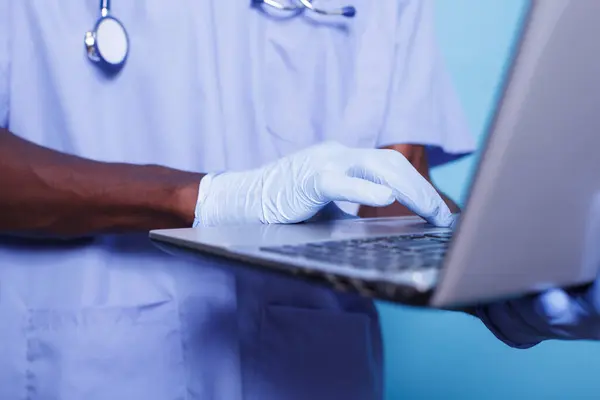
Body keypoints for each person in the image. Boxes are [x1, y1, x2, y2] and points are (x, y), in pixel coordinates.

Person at [0, 1, 476, 399]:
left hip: (314, 374)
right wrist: (208, 199)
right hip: (98, 368)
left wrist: (488, 267)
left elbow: (395, 185)